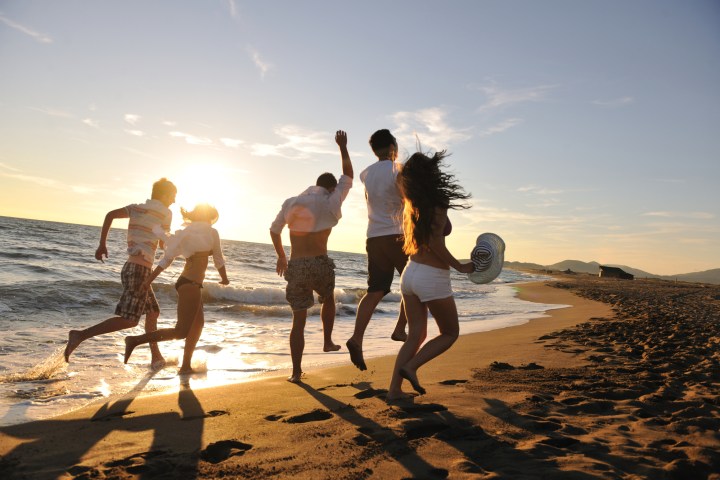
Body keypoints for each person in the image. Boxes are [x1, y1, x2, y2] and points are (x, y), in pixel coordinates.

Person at [386, 150, 474, 402]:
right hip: (431, 276)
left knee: (416, 335)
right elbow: (436, 243)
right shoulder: (437, 200)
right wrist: (460, 267)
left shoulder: (409, 201)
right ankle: (412, 367)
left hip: (410, 272)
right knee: (449, 332)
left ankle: (394, 391)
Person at [64, 178, 177, 367]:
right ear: (165, 195)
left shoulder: (136, 208)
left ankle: (156, 358)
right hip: (140, 270)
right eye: (173, 196)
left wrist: (102, 244)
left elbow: (109, 215)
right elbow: (165, 243)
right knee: (130, 321)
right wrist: (178, 244)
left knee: (153, 313)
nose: (174, 201)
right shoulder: (166, 213)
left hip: (132, 268)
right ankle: (80, 335)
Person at [270, 130, 353, 383]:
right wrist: (342, 146)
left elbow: (274, 230)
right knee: (327, 297)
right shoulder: (330, 200)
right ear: (329, 188)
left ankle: (296, 372)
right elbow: (347, 177)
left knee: (299, 321)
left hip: (296, 265)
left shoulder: (292, 202)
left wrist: (282, 257)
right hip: (319, 263)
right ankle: (327, 340)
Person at [123, 203, 229, 374]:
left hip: (187, 283)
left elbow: (167, 259)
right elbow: (218, 257)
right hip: (190, 285)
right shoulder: (210, 233)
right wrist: (224, 277)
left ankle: (186, 365)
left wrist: (149, 280)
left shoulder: (188, 234)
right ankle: (134, 341)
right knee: (181, 331)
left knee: (198, 325)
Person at [346, 129, 408, 371]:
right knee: (411, 285)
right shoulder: (399, 170)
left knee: (375, 290)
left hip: (374, 237)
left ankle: (357, 337)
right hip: (399, 236)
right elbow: (407, 200)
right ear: (394, 146)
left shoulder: (367, 173)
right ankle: (400, 328)